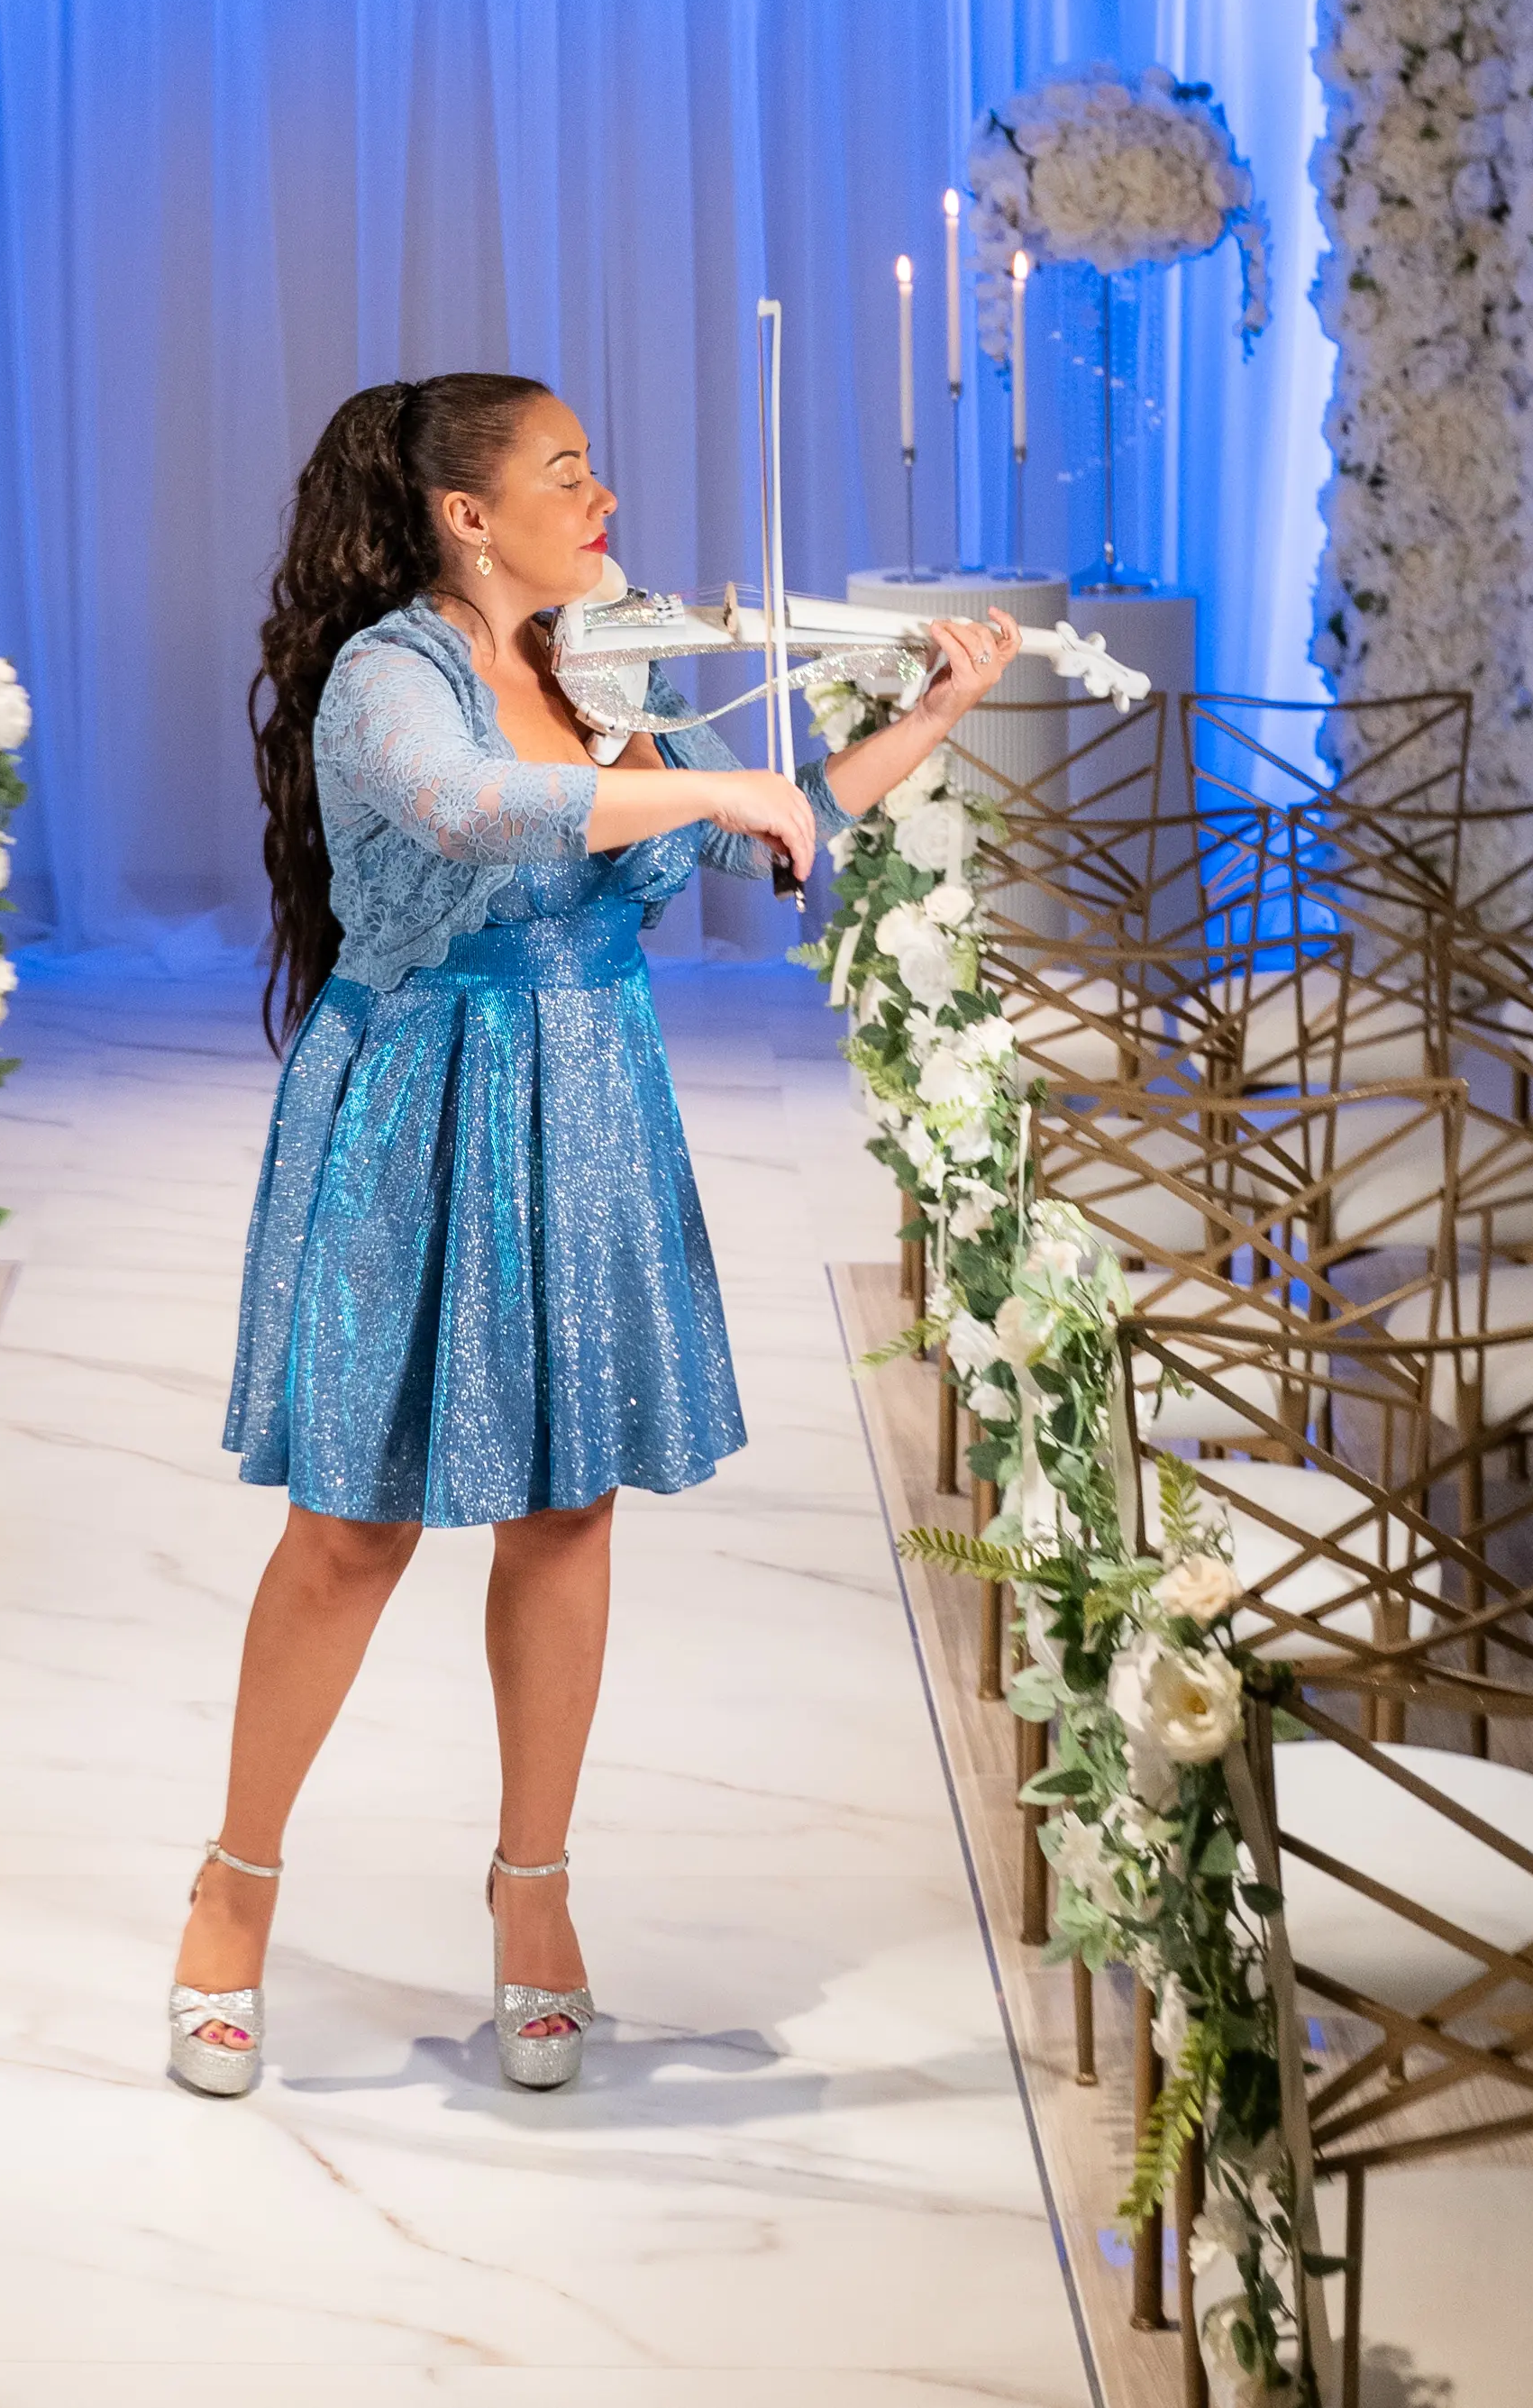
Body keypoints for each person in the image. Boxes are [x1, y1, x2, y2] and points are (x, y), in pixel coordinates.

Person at [168, 369, 1017, 2100]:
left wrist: (930, 712)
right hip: (419, 1097)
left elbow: (780, 825)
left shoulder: (604, 662)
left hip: (587, 1096)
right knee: (351, 1530)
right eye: (568, 473)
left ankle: (533, 1888)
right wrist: (713, 794)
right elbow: (475, 809)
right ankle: (232, 1886)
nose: (604, 497)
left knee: (566, 1510)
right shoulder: (388, 674)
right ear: (466, 514)